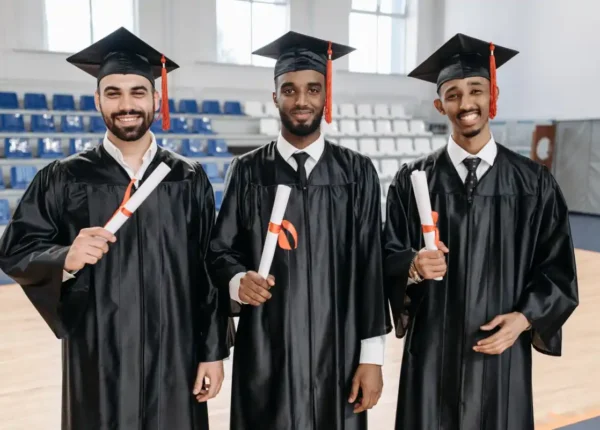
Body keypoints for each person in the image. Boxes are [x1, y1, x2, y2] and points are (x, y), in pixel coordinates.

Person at [0, 27, 230, 430]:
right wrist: (64, 258)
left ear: (156, 98)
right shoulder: (64, 177)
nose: (126, 105)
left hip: (175, 353)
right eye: (113, 93)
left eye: (138, 92)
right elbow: (16, 249)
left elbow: (207, 269)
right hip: (98, 354)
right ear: (97, 100)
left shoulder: (187, 177)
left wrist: (212, 351)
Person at [382, 33, 579, 430]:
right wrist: (413, 266)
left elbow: (557, 269)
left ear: (493, 96)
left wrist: (525, 318)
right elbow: (386, 255)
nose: (466, 103)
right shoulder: (412, 180)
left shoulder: (533, 184)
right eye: (453, 94)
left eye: (476, 90)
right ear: (440, 105)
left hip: (500, 357)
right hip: (432, 353)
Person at [208, 31, 390, 430]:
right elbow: (219, 251)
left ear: (326, 96)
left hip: (339, 350)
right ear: (275, 96)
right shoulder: (248, 171)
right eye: (289, 90)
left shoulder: (357, 172)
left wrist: (372, 357)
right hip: (267, 350)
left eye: (313, 89)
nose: (301, 100)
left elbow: (371, 266)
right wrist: (238, 281)